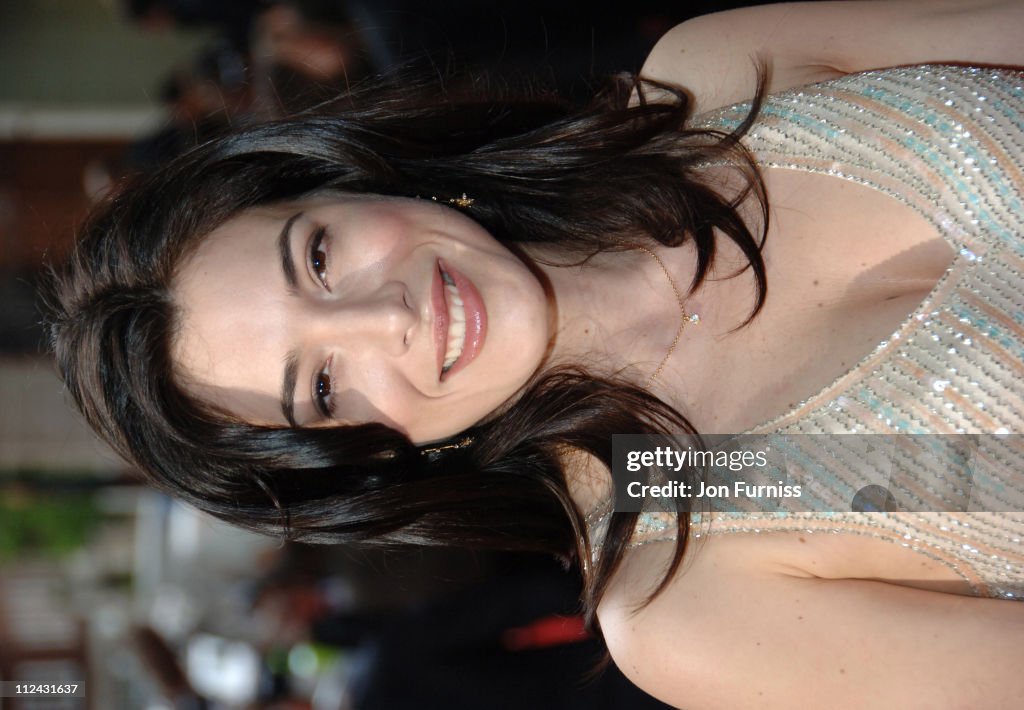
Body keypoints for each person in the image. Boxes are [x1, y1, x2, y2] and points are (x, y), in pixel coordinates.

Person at [46, 1, 1024, 707]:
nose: (386, 316)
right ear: (370, 453)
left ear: (350, 181)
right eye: (325, 384)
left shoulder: (710, 77)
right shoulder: (698, 583)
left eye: (319, 256)